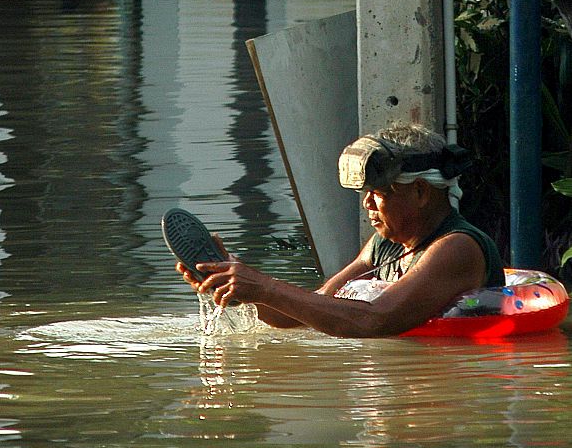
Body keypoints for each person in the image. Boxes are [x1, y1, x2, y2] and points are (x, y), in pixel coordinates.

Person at [177, 121, 505, 338]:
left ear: (420, 192)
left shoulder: (457, 247)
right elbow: (312, 309)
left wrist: (264, 286)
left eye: (379, 193)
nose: (367, 204)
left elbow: (374, 320)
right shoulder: (385, 245)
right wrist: (236, 288)